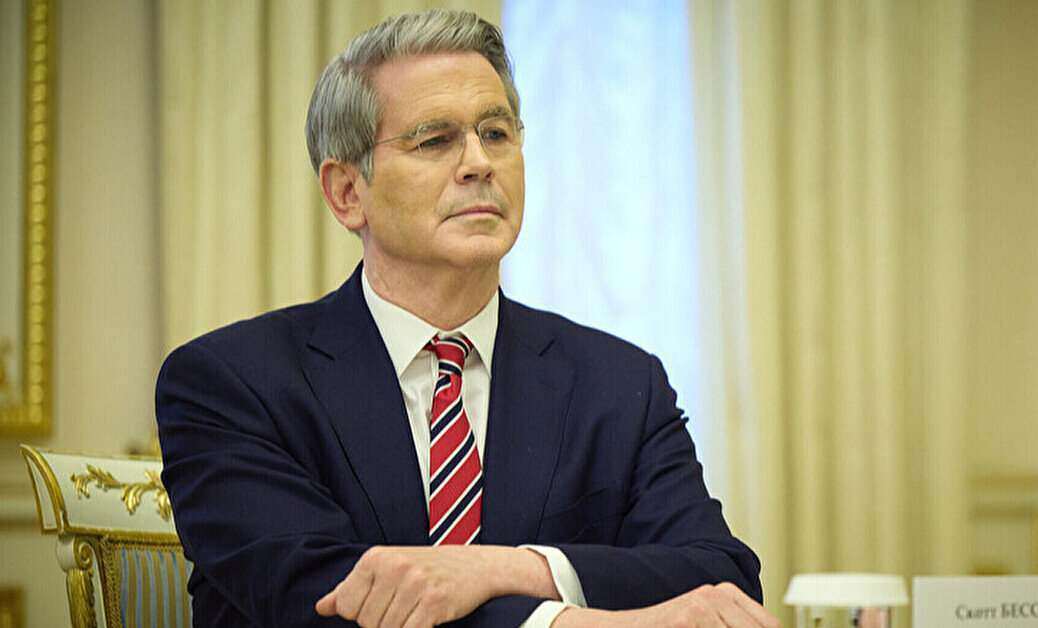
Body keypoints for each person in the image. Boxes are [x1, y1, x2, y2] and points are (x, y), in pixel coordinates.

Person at [156, 9, 777, 628]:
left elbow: (721, 581)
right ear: (347, 193)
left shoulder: (618, 384)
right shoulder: (232, 383)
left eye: (497, 133)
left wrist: (503, 568)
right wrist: (582, 623)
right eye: (435, 140)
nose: (479, 162)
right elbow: (335, 603)